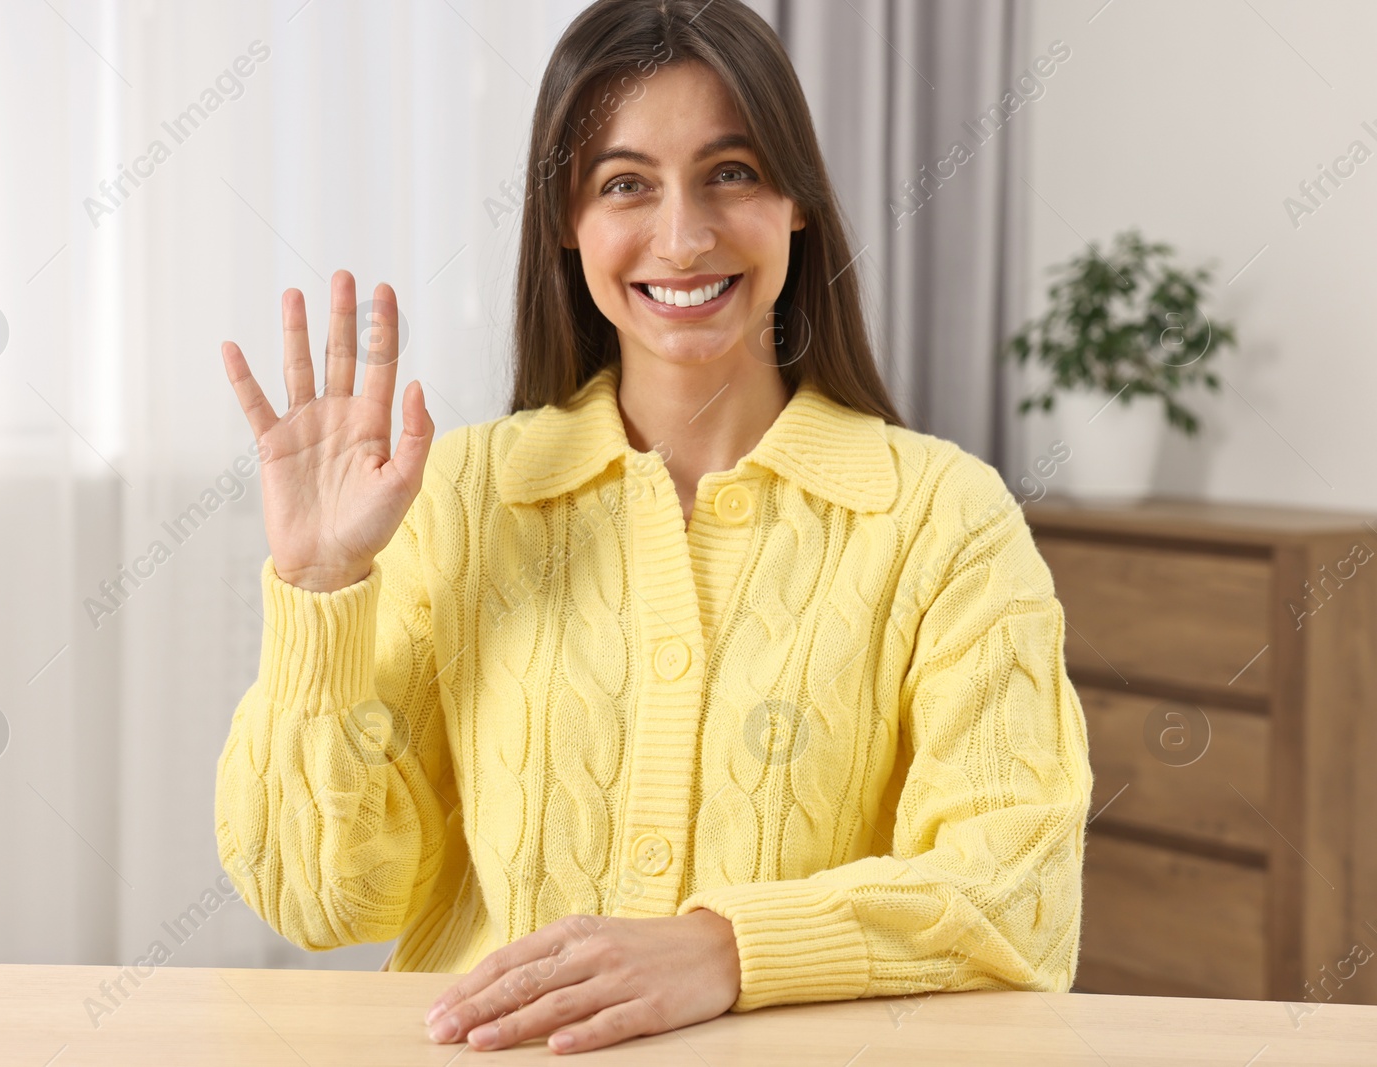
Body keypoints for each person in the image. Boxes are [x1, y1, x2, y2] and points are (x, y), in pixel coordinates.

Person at [214, 0, 1092, 1055]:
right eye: (624, 183)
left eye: (731, 172)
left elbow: (1016, 892)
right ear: (565, 221)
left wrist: (726, 948)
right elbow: (326, 900)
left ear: (797, 204)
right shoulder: (460, 495)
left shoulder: (942, 517)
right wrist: (321, 585)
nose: (682, 236)